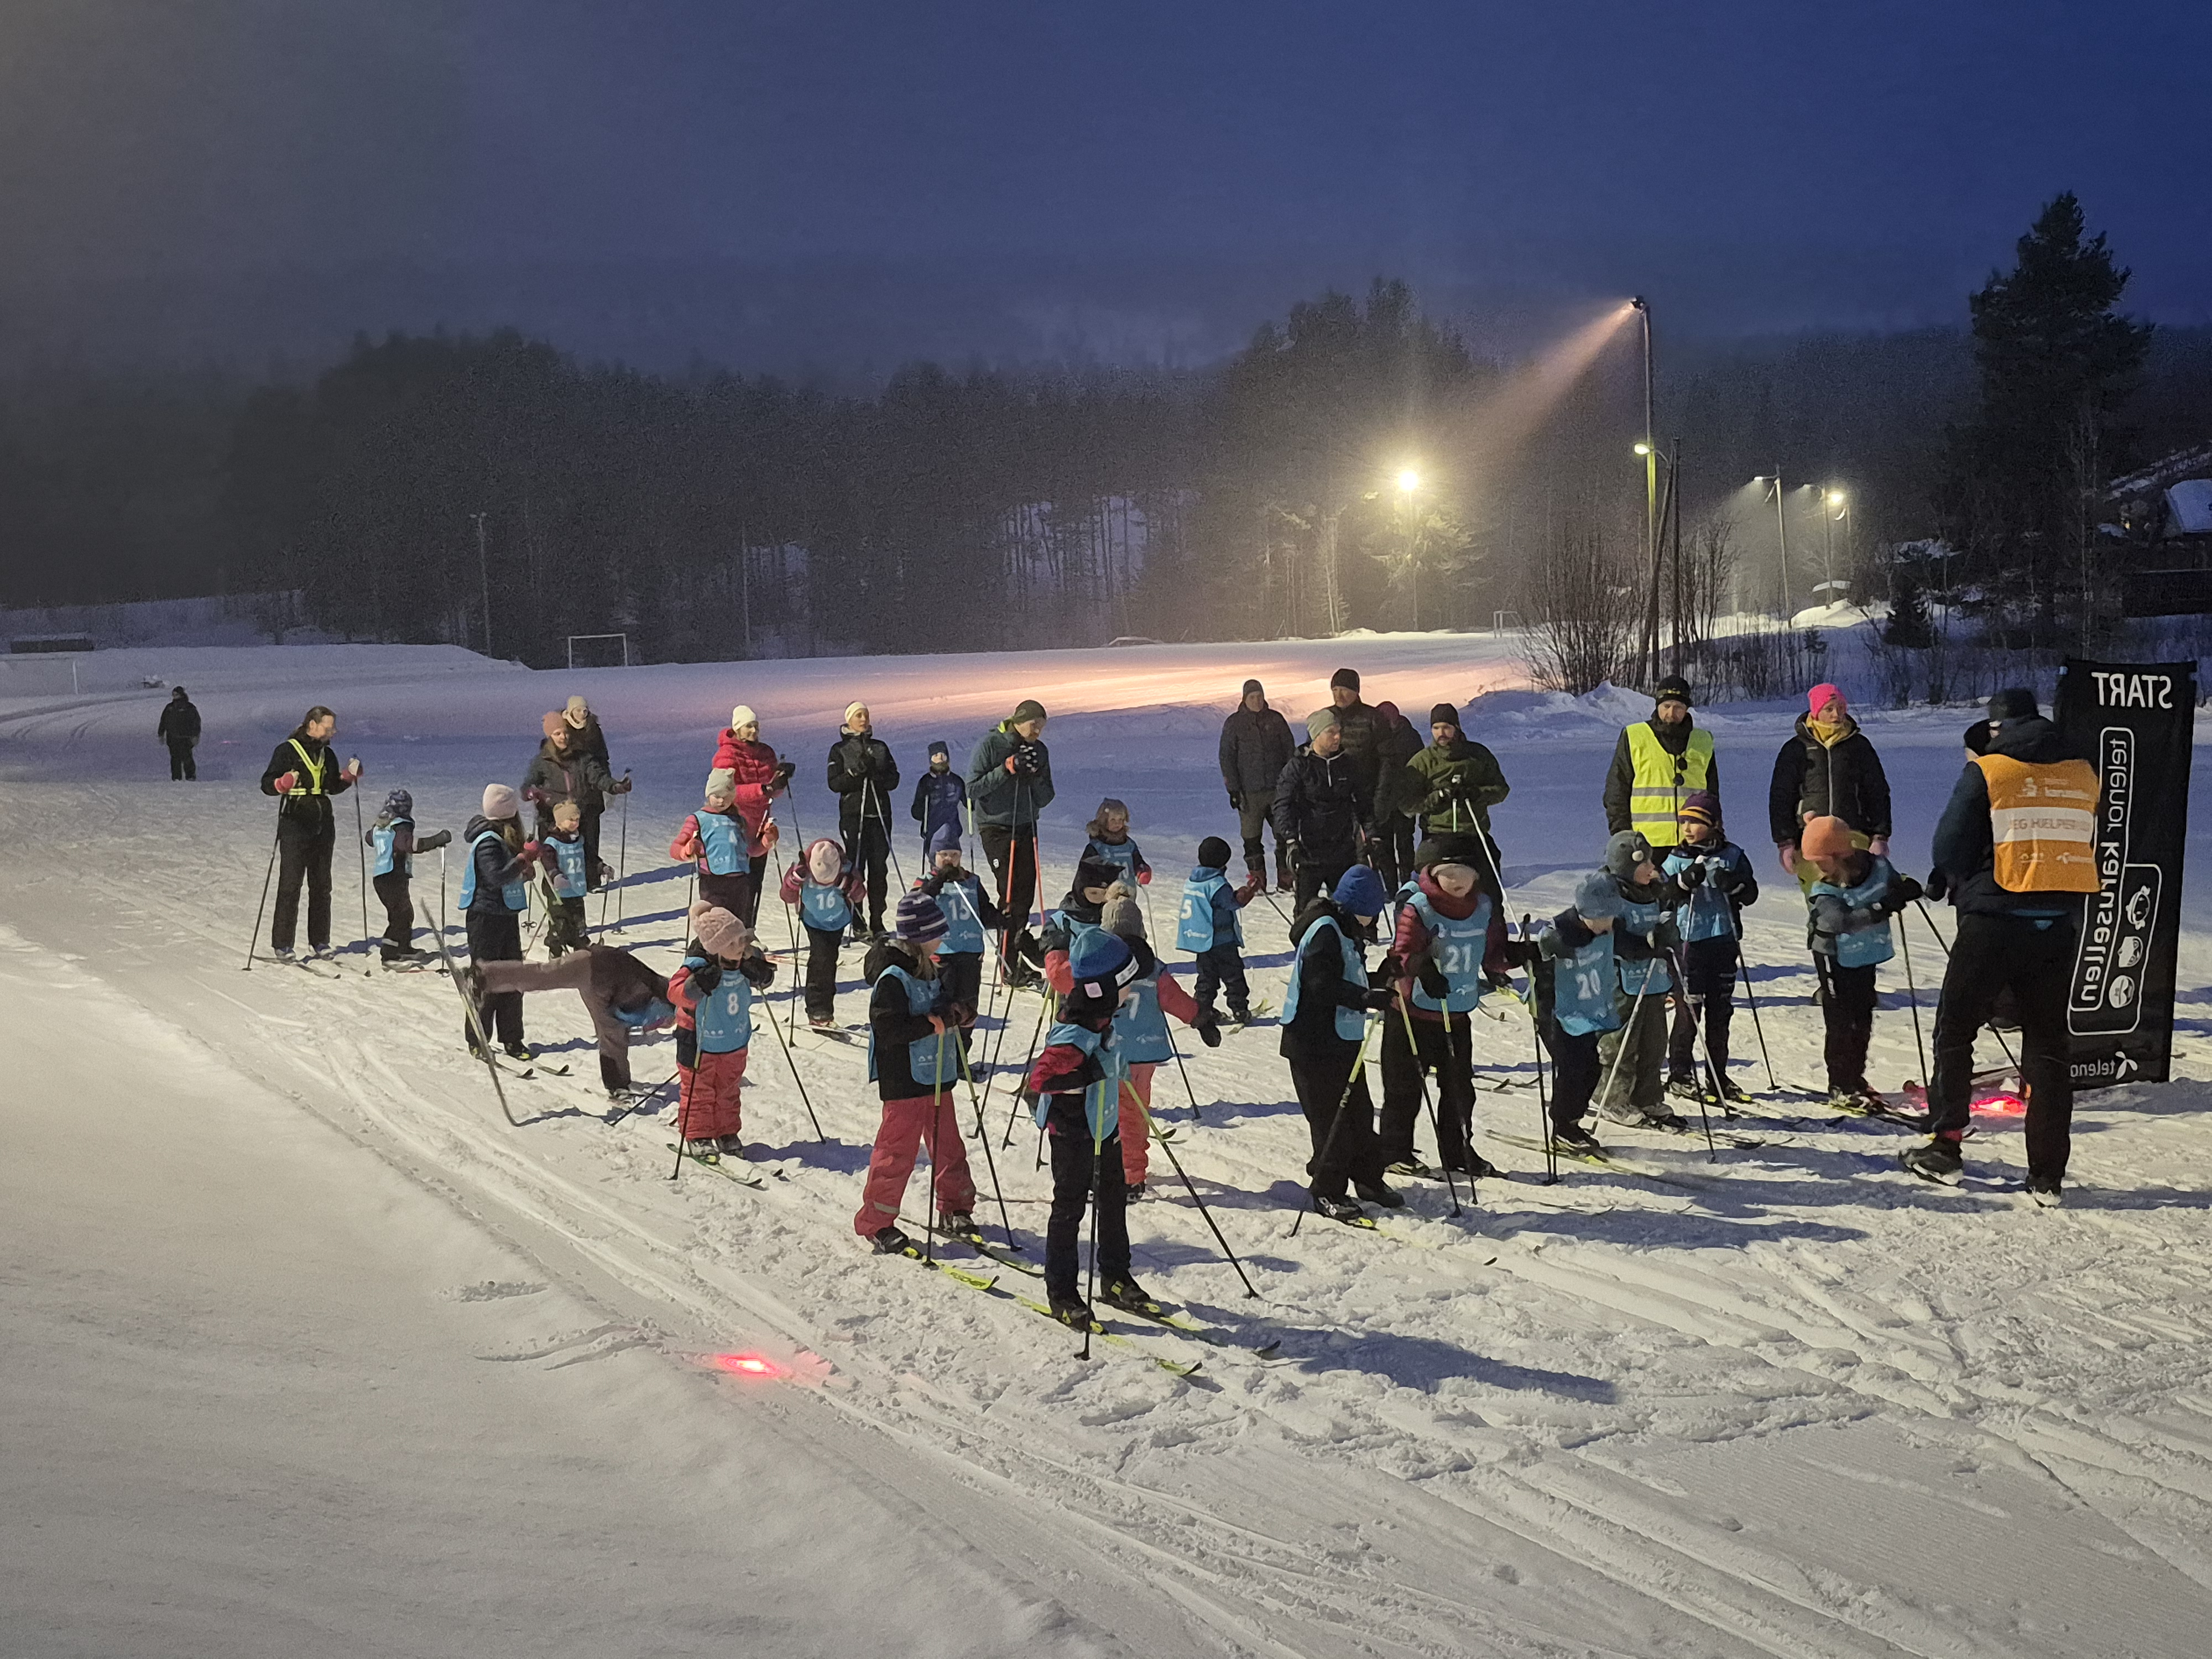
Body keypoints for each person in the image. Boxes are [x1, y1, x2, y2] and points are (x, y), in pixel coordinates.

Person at [1906, 688, 2098, 1198]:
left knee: (1956, 1028)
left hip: (1995, 915)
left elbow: (1949, 843)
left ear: (1996, 728)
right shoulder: (2083, 770)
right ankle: (2047, 1176)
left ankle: (1946, 1145)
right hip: (2058, 922)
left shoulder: (1991, 770)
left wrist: (1951, 875)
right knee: (2047, 1045)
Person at [1022, 926, 1154, 1325]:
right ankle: (1062, 1292)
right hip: (1073, 1135)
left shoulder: (1099, 1015)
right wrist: (1093, 1070)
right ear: (1105, 988)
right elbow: (1041, 1080)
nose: (1132, 992)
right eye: (1126, 985)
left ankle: (1114, 1276)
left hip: (1104, 1128)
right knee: (1070, 1210)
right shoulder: (1075, 1028)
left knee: (1114, 1203)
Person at [857, 892, 979, 1254]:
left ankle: (955, 1207)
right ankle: (876, 1222)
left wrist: (956, 1012)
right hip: (904, 1080)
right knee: (896, 1153)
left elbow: (940, 1006)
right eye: (937, 933)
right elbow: (888, 1029)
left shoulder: (931, 969)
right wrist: (931, 1024)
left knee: (949, 1147)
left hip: (937, 1072)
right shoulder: (893, 978)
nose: (942, 938)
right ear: (919, 936)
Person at [1379, 843, 1506, 1179]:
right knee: (1404, 1088)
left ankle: (1459, 1151)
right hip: (1411, 1013)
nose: (1458, 882)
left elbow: (1491, 950)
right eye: (1449, 875)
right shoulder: (1418, 906)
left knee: (1460, 1089)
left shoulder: (1482, 906)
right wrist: (1422, 968)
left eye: (1466, 875)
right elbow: (1402, 952)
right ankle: (1395, 1151)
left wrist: (1515, 958)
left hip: (1456, 1012)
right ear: (1434, 873)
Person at [1281, 864, 1400, 1222]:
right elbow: (1321, 985)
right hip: (1312, 1044)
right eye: (1371, 911)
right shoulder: (1324, 931)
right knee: (1330, 1121)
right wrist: (1364, 998)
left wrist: (1383, 979)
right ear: (1353, 905)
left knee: (1360, 1115)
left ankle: (1368, 1180)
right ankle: (1327, 1191)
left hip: (1343, 1041)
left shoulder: (1347, 929)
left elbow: (1351, 978)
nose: (1373, 919)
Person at [1098, 884, 1219, 1201]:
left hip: (1108, 1053)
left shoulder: (1100, 964)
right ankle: (1132, 1175)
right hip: (1144, 1053)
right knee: (1134, 1113)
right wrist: (1199, 1019)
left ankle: (1105, 1169)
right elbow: (1175, 999)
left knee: (1102, 1110)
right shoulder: (1154, 968)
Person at [1802, 815, 1920, 1109]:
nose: (1817, 867)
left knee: (1863, 1014)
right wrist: (1881, 908)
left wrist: (1907, 888)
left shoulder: (1876, 867)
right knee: (1841, 1019)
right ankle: (1839, 1084)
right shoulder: (1824, 890)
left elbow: (1893, 882)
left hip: (1864, 955)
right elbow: (1837, 922)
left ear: (1842, 854)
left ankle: (1856, 1077)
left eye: (1822, 860)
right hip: (1832, 955)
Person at [470, 943, 674, 1099]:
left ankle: (617, 1084)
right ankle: (482, 976)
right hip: (591, 964)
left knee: (613, 1034)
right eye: (663, 1021)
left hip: (602, 987)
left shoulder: (654, 999)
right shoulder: (656, 990)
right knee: (543, 974)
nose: (662, 1025)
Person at [1660, 791, 1759, 1104]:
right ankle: (1680, 1074)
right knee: (1689, 1012)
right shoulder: (1676, 858)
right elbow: (1662, 896)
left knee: (1721, 1013)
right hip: (1690, 944)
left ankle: (1718, 1077)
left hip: (1724, 941)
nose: (1687, 828)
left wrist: (1735, 885)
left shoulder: (1733, 855)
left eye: (1696, 822)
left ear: (1715, 824)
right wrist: (1683, 883)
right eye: (1684, 821)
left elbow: (1751, 892)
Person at [1531, 873, 1632, 1156]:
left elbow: (1629, 948)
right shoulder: (1561, 932)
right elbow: (1538, 965)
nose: (1609, 925)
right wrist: (1544, 959)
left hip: (1585, 1013)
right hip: (1557, 1014)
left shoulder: (1608, 928)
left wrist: (1655, 943)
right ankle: (1563, 1128)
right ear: (1587, 913)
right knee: (1573, 1070)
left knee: (1590, 1070)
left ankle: (1572, 1124)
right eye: (1604, 918)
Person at [1592, 830, 1686, 1130]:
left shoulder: (1655, 893)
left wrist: (1669, 935)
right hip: (1622, 981)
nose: (1652, 868)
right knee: (1622, 1042)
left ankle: (1647, 1096)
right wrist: (1642, 943)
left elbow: (1666, 929)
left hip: (1653, 980)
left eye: (1650, 862)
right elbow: (1610, 938)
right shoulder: (1610, 895)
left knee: (1655, 1042)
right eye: (1643, 864)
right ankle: (1612, 1098)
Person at [668, 904, 775, 1160]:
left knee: (728, 1089)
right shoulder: (698, 966)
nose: (742, 945)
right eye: (734, 942)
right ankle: (698, 1134)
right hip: (698, 1041)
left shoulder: (745, 961)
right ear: (716, 946)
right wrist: (696, 986)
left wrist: (762, 973)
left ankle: (726, 1131)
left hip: (734, 1039)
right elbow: (674, 992)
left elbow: (766, 978)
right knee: (699, 1091)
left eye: (742, 938)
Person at [258, 705, 363, 960]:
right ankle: (283, 943)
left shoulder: (326, 753)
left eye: (333, 728)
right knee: (291, 884)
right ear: (312, 725)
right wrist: (281, 784)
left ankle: (320, 941)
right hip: (295, 820)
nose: (332, 732)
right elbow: (266, 784)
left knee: (321, 886)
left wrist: (347, 778)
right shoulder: (286, 751)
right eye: (328, 727)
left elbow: (330, 786)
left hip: (322, 822)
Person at [966, 698, 1055, 987]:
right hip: (996, 827)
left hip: (1026, 824)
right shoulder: (991, 744)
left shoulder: (1039, 751)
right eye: (1034, 725)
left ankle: (1016, 949)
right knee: (1010, 892)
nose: (1037, 732)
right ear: (1019, 720)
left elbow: (1046, 797)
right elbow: (972, 788)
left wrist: (1036, 776)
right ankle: (1009, 964)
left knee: (1025, 895)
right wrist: (1007, 769)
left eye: (1042, 727)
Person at [1768, 683, 1892, 879]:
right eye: (1829, 709)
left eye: (1841, 708)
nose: (1837, 715)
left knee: (1858, 900)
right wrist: (1785, 842)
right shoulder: (1796, 749)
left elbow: (1877, 792)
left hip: (1853, 838)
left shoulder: (1859, 747)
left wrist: (1880, 836)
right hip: (1810, 840)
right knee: (1821, 902)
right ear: (1816, 711)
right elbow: (1781, 798)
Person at [460, 784, 546, 1061]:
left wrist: (524, 870)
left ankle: (512, 1039)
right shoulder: (487, 840)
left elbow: (507, 875)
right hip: (485, 918)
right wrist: (522, 859)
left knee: (513, 979)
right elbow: (495, 876)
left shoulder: (502, 837)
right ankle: (479, 1039)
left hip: (505, 915)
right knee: (485, 980)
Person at [1406, 703, 1511, 894]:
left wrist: (1475, 793)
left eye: (1446, 727)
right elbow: (1408, 804)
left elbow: (1501, 790)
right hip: (1438, 835)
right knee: (1428, 888)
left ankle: (1494, 920)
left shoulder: (1478, 756)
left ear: (1457, 728)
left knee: (1490, 885)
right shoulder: (1423, 761)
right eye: (1436, 728)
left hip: (1473, 832)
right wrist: (1437, 797)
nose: (1441, 733)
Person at [1603, 674, 1715, 850]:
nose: (1671, 713)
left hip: (1692, 843)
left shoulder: (1703, 741)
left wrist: (1713, 832)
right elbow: (1617, 790)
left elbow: (1712, 794)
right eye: (1666, 706)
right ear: (1657, 706)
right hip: (1645, 845)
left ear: (1687, 709)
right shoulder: (1635, 736)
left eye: (1678, 707)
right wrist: (1622, 836)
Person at [1272, 707, 1371, 909]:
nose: (1337, 737)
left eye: (1339, 732)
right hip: (1309, 852)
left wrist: (1373, 835)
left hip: (1343, 850)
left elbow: (1363, 803)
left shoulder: (1348, 764)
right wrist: (1290, 840)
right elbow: (1283, 804)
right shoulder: (1299, 766)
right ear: (1316, 735)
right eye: (1331, 732)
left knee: (1345, 908)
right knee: (1305, 909)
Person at [707, 705, 794, 927]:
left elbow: (773, 789)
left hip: (761, 824)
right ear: (737, 729)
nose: (754, 731)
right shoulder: (726, 754)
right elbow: (727, 791)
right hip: (735, 825)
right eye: (748, 727)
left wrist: (780, 780)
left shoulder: (766, 752)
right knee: (738, 884)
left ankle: (750, 930)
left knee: (756, 882)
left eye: (756, 726)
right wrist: (763, 789)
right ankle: (732, 930)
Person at [914, 823, 1005, 1030]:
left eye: (954, 854)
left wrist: (1000, 918)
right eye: (943, 854)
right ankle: (942, 1053)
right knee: (942, 1005)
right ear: (934, 857)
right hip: (941, 953)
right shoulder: (926, 881)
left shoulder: (971, 881)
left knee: (967, 1006)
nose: (949, 859)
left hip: (970, 952)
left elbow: (984, 911)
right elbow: (915, 906)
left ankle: (962, 1053)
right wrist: (937, 884)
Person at [827, 701, 900, 940]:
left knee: (879, 869)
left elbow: (893, 779)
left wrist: (876, 774)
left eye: (866, 715)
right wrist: (855, 772)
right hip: (853, 815)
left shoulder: (880, 747)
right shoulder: (840, 749)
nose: (864, 719)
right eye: (858, 715)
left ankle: (877, 921)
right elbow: (835, 783)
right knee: (856, 868)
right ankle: (857, 920)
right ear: (848, 719)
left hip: (879, 815)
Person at [779, 837, 865, 1030]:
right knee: (822, 961)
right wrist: (794, 881)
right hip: (814, 922)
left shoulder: (847, 869)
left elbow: (860, 895)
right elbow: (786, 896)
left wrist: (850, 885)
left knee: (827, 961)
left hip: (837, 921)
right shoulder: (803, 870)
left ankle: (821, 1008)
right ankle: (818, 1010)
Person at [1219, 679, 1296, 890]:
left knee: (1284, 836)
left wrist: (1292, 783)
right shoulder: (1234, 723)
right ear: (1245, 698)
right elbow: (1227, 757)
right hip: (1249, 793)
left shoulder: (1276, 720)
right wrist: (1233, 789)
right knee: (1252, 839)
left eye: (1260, 696)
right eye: (1253, 697)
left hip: (1277, 790)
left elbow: (1290, 751)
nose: (1257, 700)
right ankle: (1257, 882)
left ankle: (1287, 880)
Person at [523, 709, 628, 862]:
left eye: (565, 733)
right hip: (553, 820)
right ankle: (553, 886)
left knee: (587, 856)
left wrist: (615, 786)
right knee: (554, 862)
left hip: (581, 816)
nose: (563, 737)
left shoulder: (583, 757)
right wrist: (530, 792)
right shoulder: (542, 761)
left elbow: (598, 776)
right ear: (550, 736)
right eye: (557, 734)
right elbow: (528, 784)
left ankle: (591, 885)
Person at [1176, 836, 1260, 1025]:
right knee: (1234, 976)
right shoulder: (1217, 885)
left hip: (1202, 942)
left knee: (1207, 978)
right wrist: (1250, 890)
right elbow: (1234, 902)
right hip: (1222, 942)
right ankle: (1240, 1010)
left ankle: (1203, 1010)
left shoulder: (1192, 881)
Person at [365, 788, 451, 967]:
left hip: (382, 877)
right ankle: (390, 954)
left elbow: (369, 839)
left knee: (404, 912)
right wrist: (437, 840)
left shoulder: (381, 825)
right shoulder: (400, 825)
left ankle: (403, 947)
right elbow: (411, 845)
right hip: (392, 876)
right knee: (400, 915)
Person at [559, 695, 622, 887]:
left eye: (585, 710)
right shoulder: (562, 731)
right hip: (570, 796)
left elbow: (603, 759)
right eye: (578, 710)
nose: (583, 713)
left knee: (592, 838)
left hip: (592, 793)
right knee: (571, 840)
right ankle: (572, 878)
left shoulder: (594, 730)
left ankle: (592, 880)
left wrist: (609, 786)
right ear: (570, 711)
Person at [1040, 852, 1123, 993]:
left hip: (1109, 984)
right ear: (1081, 891)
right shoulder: (1064, 920)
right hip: (1072, 986)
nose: (1099, 899)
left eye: (1105, 894)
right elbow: (1048, 953)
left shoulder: (1114, 916)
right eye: (1094, 893)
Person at [671, 778, 754, 914]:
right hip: (713, 882)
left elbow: (752, 850)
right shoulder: (698, 819)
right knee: (714, 924)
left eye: (726, 797)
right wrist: (687, 850)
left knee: (736, 927)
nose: (722, 801)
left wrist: (767, 840)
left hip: (740, 883)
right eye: (717, 796)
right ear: (709, 795)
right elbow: (675, 850)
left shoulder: (739, 820)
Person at [1367, 701, 1425, 893]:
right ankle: (1391, 887)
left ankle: (1407, 882)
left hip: (1404, 800)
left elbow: (1419, 768)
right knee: (1384, 846)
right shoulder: (1376, 737)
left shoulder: (1410, 736)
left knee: (1404, 843)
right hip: (1383, 800)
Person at [540, 799, 592, 958]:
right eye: (571, 820)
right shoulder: (552, 843)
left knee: (579, 925)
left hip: (576, 889)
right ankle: (555, 953)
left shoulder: (580, 840)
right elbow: (547, 862)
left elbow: (589, 858)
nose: (575, 823)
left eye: (577, 820)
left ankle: (580, 954)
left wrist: (600, 867)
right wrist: (555, 875)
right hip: (558, 893)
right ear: (560, 821)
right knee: (560, 926)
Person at [1324, 667, 1383, 806]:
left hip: (1366, 796)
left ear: (1356, 692)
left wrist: (1381, 799)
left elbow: (1387, 761)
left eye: (1344, 690)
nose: (1339, 695)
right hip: (1332, 799)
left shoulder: (1373, 718)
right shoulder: (1325, 717)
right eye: (1335, 690)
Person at [910, 740, 967, 865]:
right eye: (936, 756)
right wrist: (920, 813)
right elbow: (917, 809)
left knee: (953, 860)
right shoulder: (926, 781)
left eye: (943, 755)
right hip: (933, 829)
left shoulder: (956, 781)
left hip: (953, 829)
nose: (940, 759)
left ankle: (953, 882)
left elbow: (968, 802)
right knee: (937, 861)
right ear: (931, 759)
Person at [1084, 798, 1152, 889]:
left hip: (1128, 893)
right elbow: (1086, 872)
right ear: (1104, 821)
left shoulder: (1129, 845)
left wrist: (1142, 871)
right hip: (1104, 896)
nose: (1118, 823)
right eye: (1113, 820)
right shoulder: (1096, 847)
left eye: (1121, 820)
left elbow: (1137, 862)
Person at [158, 686, 201, 780]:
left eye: (176, 694)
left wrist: (195, 735)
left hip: (186, 738)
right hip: (172, 738)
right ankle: (176, 778)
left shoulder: (189, 707)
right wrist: (161, 733)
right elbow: (164, 721)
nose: (174, 696)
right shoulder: (169, 708)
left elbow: (196, 722)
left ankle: (190, 777)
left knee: (187, 758)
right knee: (175, 759)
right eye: (173, 695)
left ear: (182, 694)